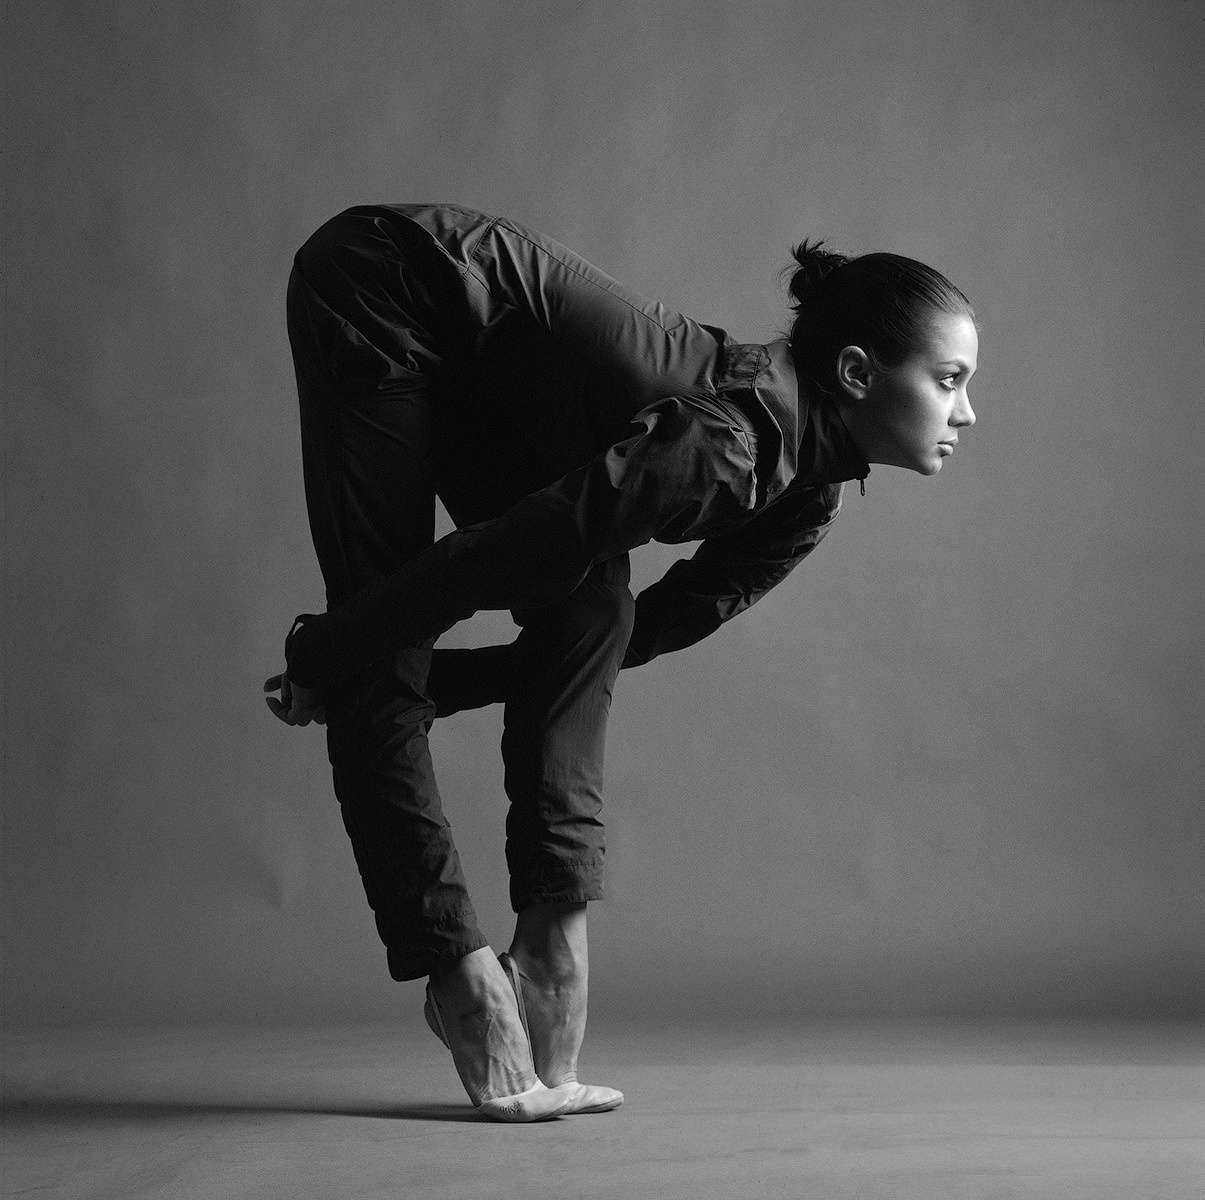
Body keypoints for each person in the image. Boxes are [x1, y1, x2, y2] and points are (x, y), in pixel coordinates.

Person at [263, 203, 978, 1121]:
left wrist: (449, 685)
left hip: (481, 363)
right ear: (855, 373)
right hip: (380, 286)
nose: (966, 411)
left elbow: (633, 636)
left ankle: (548, 947)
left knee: (592, 609)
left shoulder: (804, 500)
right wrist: (325, 654)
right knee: (382, 645)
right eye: (948, 379)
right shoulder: (723, 447)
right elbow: (495, 560)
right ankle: (458, 975)